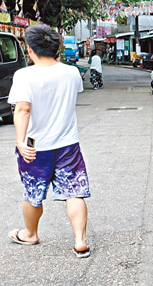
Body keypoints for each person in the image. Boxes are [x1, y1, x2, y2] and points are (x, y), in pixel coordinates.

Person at [7, 24, 92, 258]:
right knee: (74, 191)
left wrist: (20, 142)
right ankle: (80, 240)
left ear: (30, 49)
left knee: (33, 190)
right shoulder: (71, 72)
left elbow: (23, 110)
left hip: (35, 144)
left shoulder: (24, 75)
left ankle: (30, 233)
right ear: (56, 49)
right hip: (67, 142)